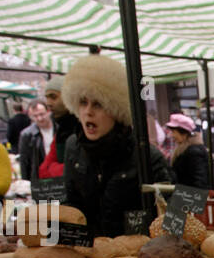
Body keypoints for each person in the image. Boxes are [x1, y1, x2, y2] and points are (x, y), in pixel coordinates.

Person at [61, 54, 172, 237]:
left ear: (116, 110)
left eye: (98, 104)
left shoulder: (146, 156)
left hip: (137, 255)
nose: (88, 112)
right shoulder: (73, 147)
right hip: (89, 254)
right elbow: (71, 203)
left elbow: (171, 213)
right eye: (83, 102)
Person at [40, 75, 80, 178]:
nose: (48, 103)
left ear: (69, 97)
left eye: (53, 97)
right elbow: (43, 171)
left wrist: (53, 168)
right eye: (47, 98)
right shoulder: (60, 133)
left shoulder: (85, 129)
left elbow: (83, 170)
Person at [166, 113, 211, 188]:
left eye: (174, 132)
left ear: (183, 133)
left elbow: (200, 182)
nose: (172, 135)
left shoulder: (194, 152)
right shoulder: (183, 149)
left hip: (191, 197)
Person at [17, 100, 55, 180]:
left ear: (48, 112)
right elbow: (24, 162)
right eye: (35, 116)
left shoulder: (59, 129)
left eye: (42, 114)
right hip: (40, 178)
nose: (40, 118)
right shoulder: (26, 135)